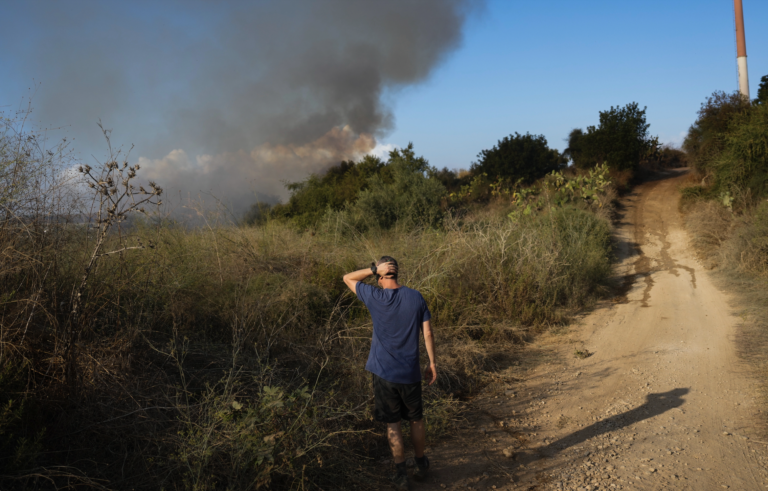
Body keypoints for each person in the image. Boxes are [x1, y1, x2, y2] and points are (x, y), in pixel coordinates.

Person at [343, 256, 437, 490]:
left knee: (393, 423)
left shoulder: (374, 296)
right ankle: (420, 463)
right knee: (416, 419)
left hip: (384, 373)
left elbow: (347, 278)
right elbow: (428, 334)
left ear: (382, 274)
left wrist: (373, 269)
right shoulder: (415, 297)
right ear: (397, 272)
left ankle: (401, 474)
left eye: (379, 272)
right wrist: (432, 363)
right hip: (410, 373)